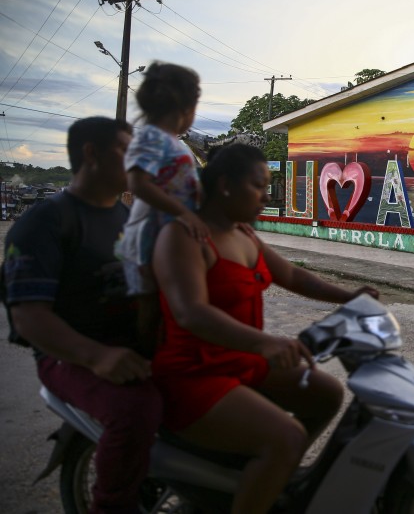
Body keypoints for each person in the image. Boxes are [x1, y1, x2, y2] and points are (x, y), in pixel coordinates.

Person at [151, 143, 379, 513]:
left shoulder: (243, 233)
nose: (266, 195)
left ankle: (268, 481)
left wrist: (350, 296)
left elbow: (291, 275)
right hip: (195, 374)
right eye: (259, 185)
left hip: (241, 364)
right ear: (225, 185)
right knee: (285, 437)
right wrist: (265, 343)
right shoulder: (185, 236)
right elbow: (191, 312)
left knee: (326, 393)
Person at [3, 117, 162, 514]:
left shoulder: (122, 217)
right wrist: (97, 356)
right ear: (91, 154)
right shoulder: (43, 221)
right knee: (133, 410)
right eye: (127, 151)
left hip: (128, 343)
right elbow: (28, 318)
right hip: (69, 355)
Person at [115, 61, 208, 347]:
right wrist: (182, 211)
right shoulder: (150, 137)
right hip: (149, 235)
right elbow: (137, 183)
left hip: (170, 233)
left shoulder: (172, 142)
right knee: (149, 305)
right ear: (186, 107)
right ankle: (141, 355)